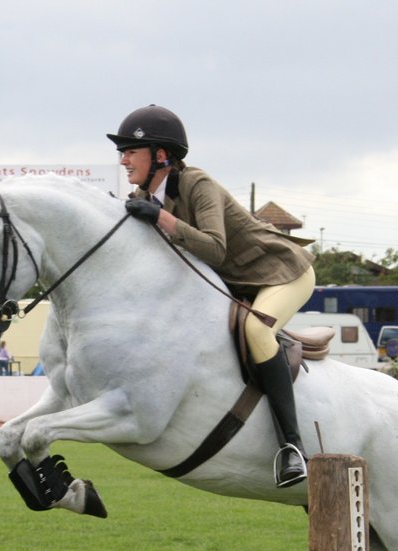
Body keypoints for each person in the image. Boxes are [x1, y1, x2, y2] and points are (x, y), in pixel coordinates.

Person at [107, 104, 317, 488]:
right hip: (238, 284)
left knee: (256, 331)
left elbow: (215, 249)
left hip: (282, 273)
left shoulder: (196, 184)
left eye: (130, 151)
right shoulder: (146, 196)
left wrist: (161, 219)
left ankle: (292, 447)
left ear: (160, 155)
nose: (123, 160)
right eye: (122, 152)